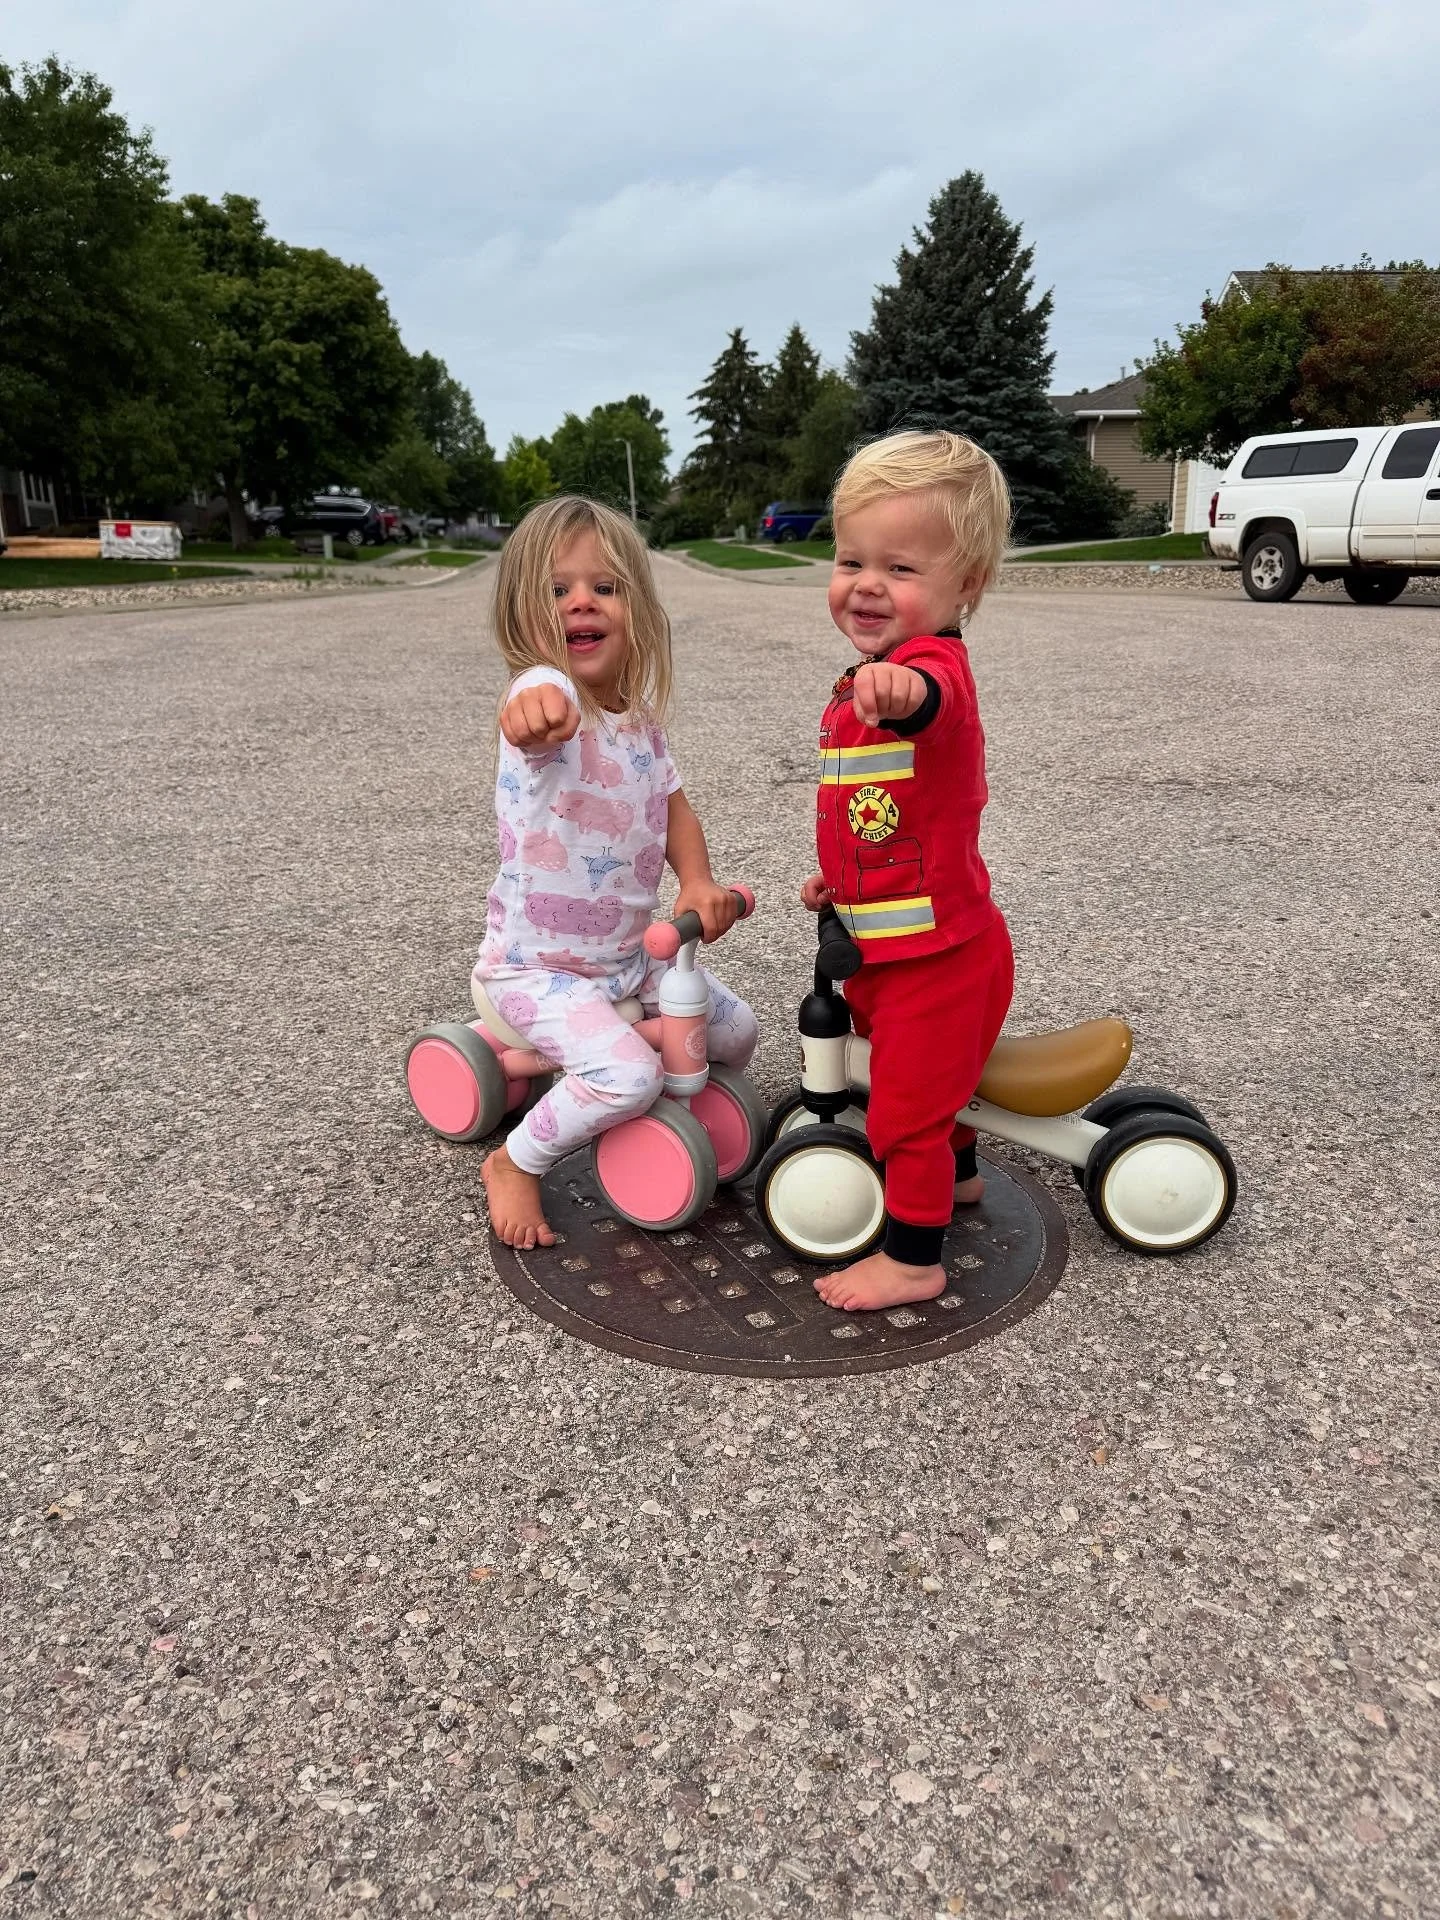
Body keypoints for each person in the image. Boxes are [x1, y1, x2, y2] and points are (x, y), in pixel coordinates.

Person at [476, 496, 758, 1250]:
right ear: (522, 615)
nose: (581, 603)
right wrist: (534, 702)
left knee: (736, 1032)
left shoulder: (638, 721)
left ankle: (629, 1078)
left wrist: (696, 883)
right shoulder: (545, 701)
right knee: (629, 1077)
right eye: (556, 590)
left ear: (635, 607)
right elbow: (533, 706)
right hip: (537, 972)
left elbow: (674, 810)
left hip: (628, 962)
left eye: (604, 587)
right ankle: (517, 1160)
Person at [800, 430, 1015, 1312]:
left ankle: (914, 1258)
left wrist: (901, 692)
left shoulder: (929, 672)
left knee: (904, 1112)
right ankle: (960, 1177)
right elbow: (887, 816)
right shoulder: (874, 668)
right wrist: (841, 882)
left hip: (937, 963)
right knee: (922, 1083)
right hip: (898, 947)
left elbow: (936, 704)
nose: (867, 584)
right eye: (853, 558)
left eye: (902, 567)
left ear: (967, 585)